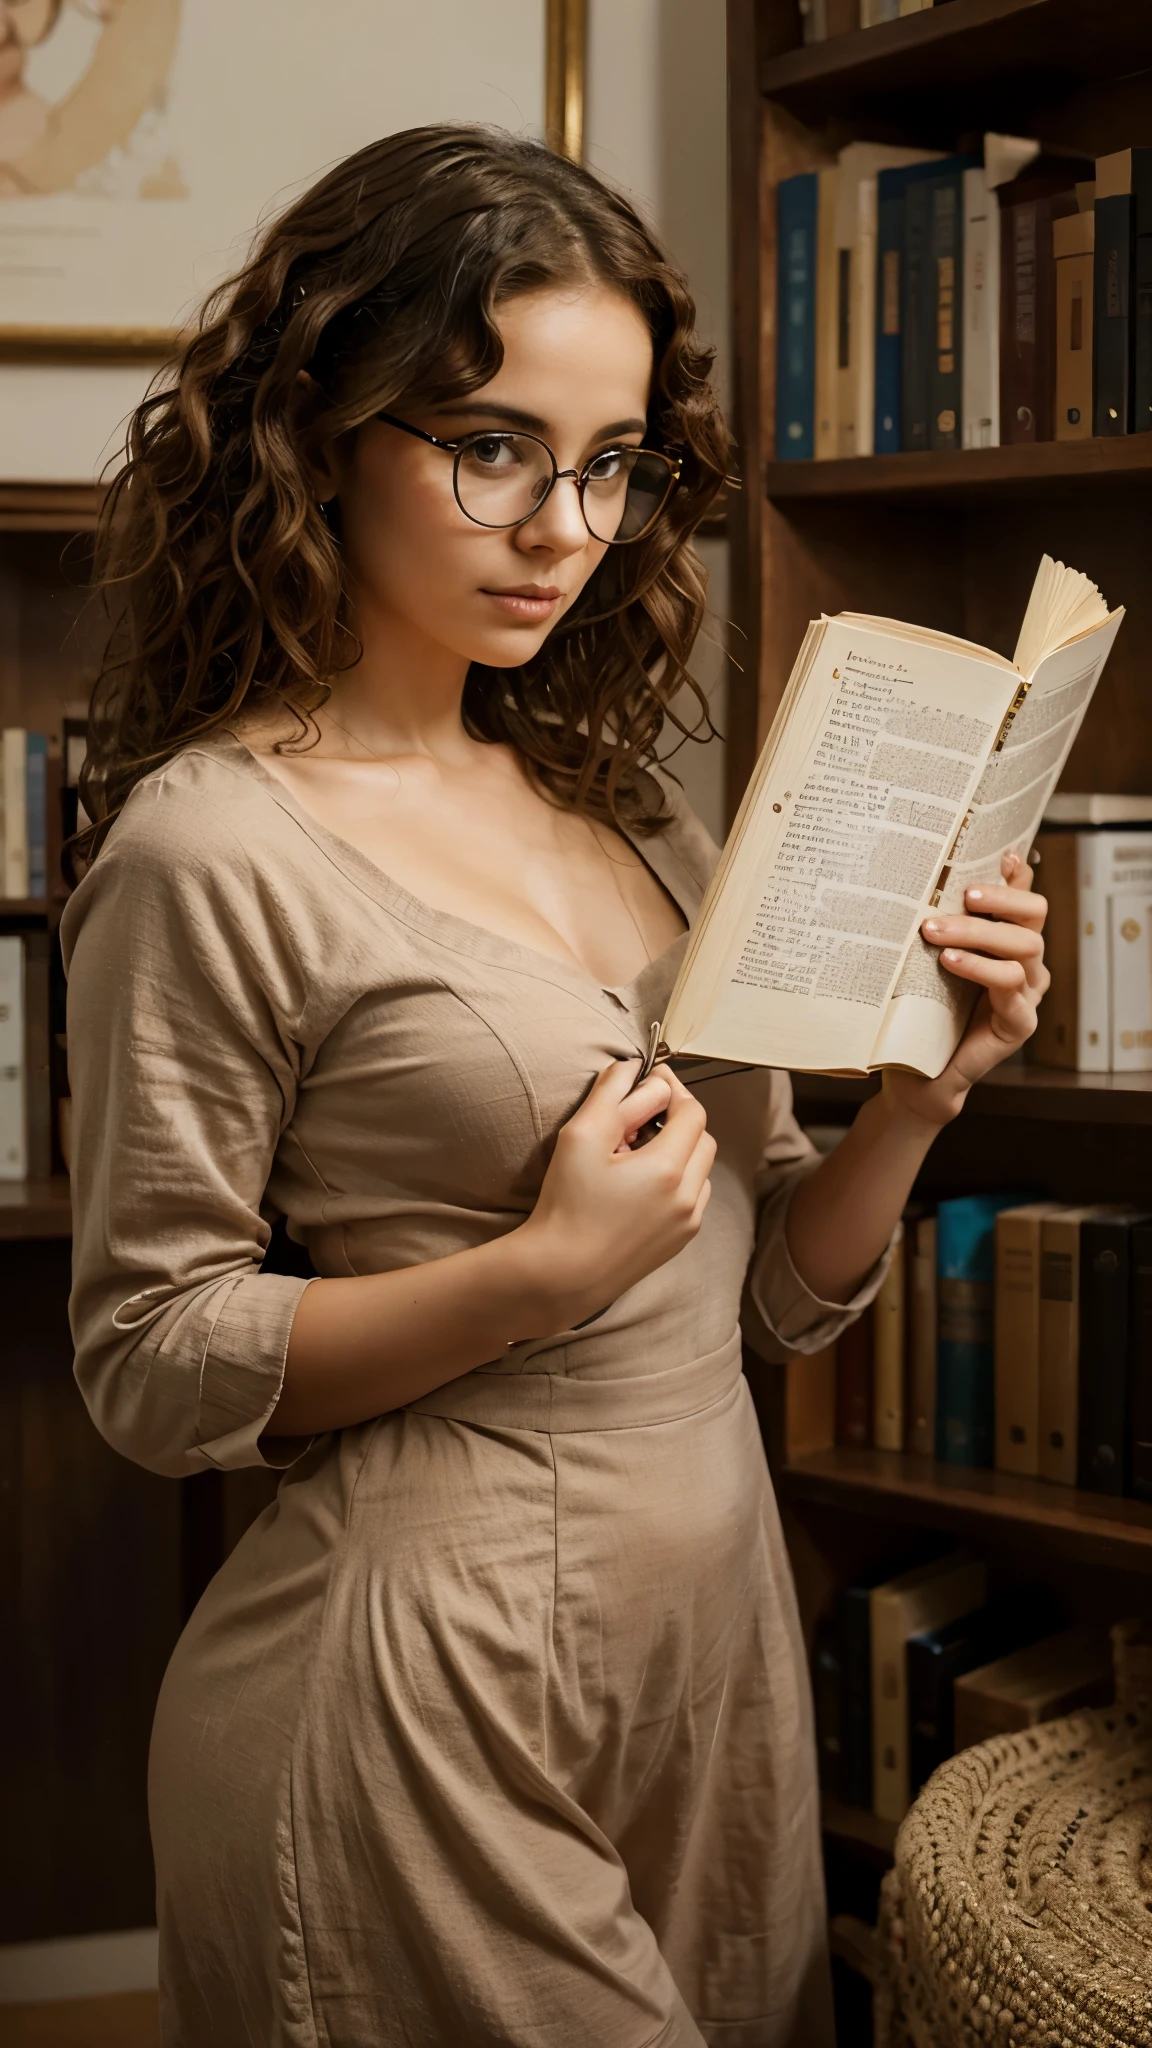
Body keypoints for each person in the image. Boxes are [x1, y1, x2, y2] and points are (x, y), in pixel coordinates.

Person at [63, 126, 1049, 2048]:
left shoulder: (648, 819)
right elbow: (150, 1356)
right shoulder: (212, 850)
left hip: (714, 1666)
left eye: (611, 465)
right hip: (412, 1685)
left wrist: (936, 1091)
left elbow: (761, 1299)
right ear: (319, 430)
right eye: (492, 444)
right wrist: (532, 1271)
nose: (565, 530)